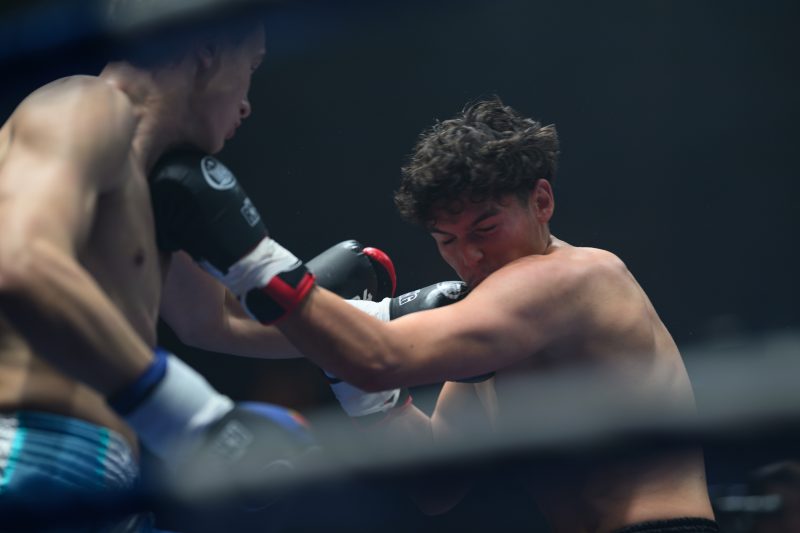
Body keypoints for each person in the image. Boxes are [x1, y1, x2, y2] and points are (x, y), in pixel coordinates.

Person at [196, 97, 717, 532]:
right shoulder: (493, 331)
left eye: (486, 230)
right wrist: (360, 386)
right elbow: (436, 485)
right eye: (447, 240)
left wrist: (313, 306)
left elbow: (378, 355)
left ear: (541, 201)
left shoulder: (578, 276)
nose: (470, 257)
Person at [0, 3, 391, 529]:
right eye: (251, 66)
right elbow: (19, 261)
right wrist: (200, 420)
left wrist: (390, 319)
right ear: (206, 49)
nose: (247, 104)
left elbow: (217, 319)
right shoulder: (85, 104)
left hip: (106, 475)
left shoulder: (150, 182)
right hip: (27, 450)